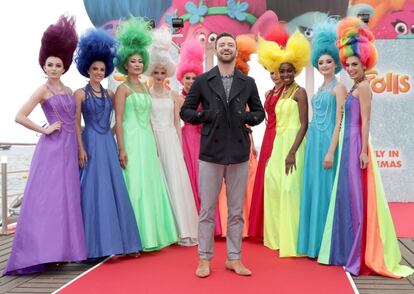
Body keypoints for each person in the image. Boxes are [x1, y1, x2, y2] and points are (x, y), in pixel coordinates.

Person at [318, 17, 414, 278]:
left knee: (358, 200)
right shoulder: (353, 88)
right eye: (347, 64)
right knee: (347, 197)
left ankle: (360, 254)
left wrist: (362, 152)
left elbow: (366, 121)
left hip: (356, 147)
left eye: (354, 64)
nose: (350, 68)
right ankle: (347, 250)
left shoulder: (364, 88)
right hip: (347, 147)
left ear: (364, 63)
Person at [4, 16, 86, 275]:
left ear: (64, 67)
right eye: (49, 64)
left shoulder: (70, 89)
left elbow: (76, 120)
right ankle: (39, 252)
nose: (53, 68)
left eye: (58, 64)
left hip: (69, 148)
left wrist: (81, 147)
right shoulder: (42, 90)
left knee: (66, 200)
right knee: (46, 200)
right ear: (44, 65)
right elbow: (20, 116)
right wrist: (44, 128)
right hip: (50, 150)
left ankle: (60, 252)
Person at [180, 32, 265, 277]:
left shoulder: (247, 82)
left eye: (230, 45)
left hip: (238, 151)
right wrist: (206, 116)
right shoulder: (203, 80)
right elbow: (186, 111)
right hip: (210, 152)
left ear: (236, 51)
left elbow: (259, 113)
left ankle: (234, 258)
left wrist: (245, 118)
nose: (226, 48)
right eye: (222, 45)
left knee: (236, 211)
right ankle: (204, 259)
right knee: (207, 210)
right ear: (215, 50)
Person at [74, 28, 142, 259]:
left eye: (102, 69)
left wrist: (118, 137)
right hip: (91, 143)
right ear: (87, 69)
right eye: (95, 69)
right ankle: (95, 246)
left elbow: (121, 119)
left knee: (114, 191)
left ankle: (124, 243)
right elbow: (75, 124)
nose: (99, 73)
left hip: (108, 144)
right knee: (94, 191)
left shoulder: (111, 95)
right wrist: (81, 148)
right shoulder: (79, 94)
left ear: (107, 71)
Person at [114, 17, 178, 251]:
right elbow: (119, 121)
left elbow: (150, 118)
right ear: (126, 64)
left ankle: (153, 235)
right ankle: (134, 237)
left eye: (141, 61)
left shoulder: (144, 87)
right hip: (130, 140)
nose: (138, 65)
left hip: (147, 140)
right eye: (133, 61)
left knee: (150, 184)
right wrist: (121, 148)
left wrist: (156, 144)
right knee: (135, 185)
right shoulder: (122, 89)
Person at [297, 19, 347, 258]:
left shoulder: (339, 88)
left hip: (328, 142)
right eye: (320, 62)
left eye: (328, 61)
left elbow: (339, 122)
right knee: (313, 189)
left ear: (336, 63)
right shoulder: (318, 89)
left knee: (326, 190)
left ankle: (326, 246)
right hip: (314, 142)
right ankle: (313, 244)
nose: (324, 64)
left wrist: (330, 150)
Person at [146, 28, 198, 246]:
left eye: (162, 72)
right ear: (151, 73)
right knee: (159, 183)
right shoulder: (146, 95)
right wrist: (152, 143)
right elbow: (148, 122)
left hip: (171, 139)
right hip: (154, 138)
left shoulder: (174, 96)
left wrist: (178, 144)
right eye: (156, 72)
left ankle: (182, 228)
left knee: (176, 182)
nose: (159, 76)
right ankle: (163, 229)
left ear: (167, 73)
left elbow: (177, 122)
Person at [262, 31, 310, 257]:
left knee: (290, 190)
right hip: (279, 144)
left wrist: (292, 152)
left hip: (294, 145)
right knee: (273, 186)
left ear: (296, 71)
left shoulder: (300, 93)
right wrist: (274, 152)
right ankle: (277, 238)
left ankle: (293, 241)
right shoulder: (280, 93)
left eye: (289, 70)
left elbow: (303, 125)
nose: (286, 73)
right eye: (282, 71)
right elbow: (277, 124)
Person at [249, 23, 288, 239]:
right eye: (271, 72)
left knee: (280, 181)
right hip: (268, 136)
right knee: (267, 180)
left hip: (282, 137)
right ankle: (265, 227)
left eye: (279, 72)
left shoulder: (291, 92)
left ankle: (281, 226)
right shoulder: (268, 92)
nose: (275, 75)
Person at [217, 34, 258, 238]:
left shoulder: (248, 86)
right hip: (224, 141)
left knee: (246, 181)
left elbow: (253, 116)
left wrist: (253, 142)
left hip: (245, 139)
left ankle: (247, 226)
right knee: (227, 185)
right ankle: (228, 227)